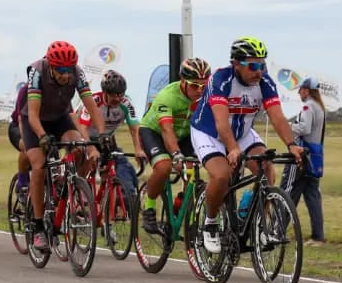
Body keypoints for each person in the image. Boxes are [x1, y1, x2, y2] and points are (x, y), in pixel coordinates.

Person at [189, 37, 304, 254]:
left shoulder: (265, 83)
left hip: (242, 132)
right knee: (222, 176)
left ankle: (256, 222)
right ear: (236, 64)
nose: (259, 70)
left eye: (262, 64)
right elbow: (221, 123)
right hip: (209, 132)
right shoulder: (221, 80)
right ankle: (211, 222)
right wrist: (232, 149)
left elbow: (277, 117)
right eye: (253, 65)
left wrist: (291, 145)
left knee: (266, 169)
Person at [21, 40, 106, 252]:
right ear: (51, 66)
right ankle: (38, 225)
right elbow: (32, 114)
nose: (66, 75)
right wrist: (42, 136)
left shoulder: (77, 73)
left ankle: (68, 185)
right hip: (35, 121)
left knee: (79, 146)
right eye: (60, 70)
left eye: (68, 70)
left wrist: (102, 135)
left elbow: (91, 106)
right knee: (39, 165)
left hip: (59, 117)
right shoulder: (37, 72)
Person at [138, 57, 211, 234]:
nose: (199, 90)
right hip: (154, 132)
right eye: (195, 85)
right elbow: (166, 130)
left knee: (192, 170)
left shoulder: (208, 96)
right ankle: (149, 206)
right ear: (183, 82)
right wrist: (176, 154)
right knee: (163, 168)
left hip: (185, 134)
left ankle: (180, 206)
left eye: (204, 85)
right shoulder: (167, 97)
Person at [78, 70, 148, 196]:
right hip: (85, 136)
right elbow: (82, 127)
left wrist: (138, 148)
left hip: (106, 138)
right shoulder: (94, 101)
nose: (117, 98)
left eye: (120, 95)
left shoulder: (126, 103)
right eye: (113, 95)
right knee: (87, 164)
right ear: (105, 92)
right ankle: (80, 195)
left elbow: (134, 128)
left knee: (117, 165)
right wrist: (90, 148)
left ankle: (112, 199)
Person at [283, 76, 326, 245]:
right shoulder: (320, 108)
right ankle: (318, 236)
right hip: (314, 156)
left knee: (288, 192)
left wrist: (287, 126)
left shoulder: (308, 106)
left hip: (302, 155)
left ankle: (278, 231)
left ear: (306, 90)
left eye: (301, 89)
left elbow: (304, 128)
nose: (299, 93)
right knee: (313, 197)